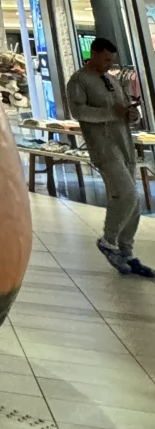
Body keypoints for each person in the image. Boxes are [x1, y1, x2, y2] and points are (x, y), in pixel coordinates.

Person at [67, 37, 152, 276]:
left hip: (124, 143)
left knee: (133, 201)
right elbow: (78, 112)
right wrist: (112, 113)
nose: (109, 64)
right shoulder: (78, 81)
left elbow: (123, 108)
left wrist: (132, 115)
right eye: (105, 59)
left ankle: (127, 252)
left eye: (111, 60)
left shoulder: (112, 79)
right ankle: (109, 240)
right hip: (104, 147)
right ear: (94, 54)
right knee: (126, 194)